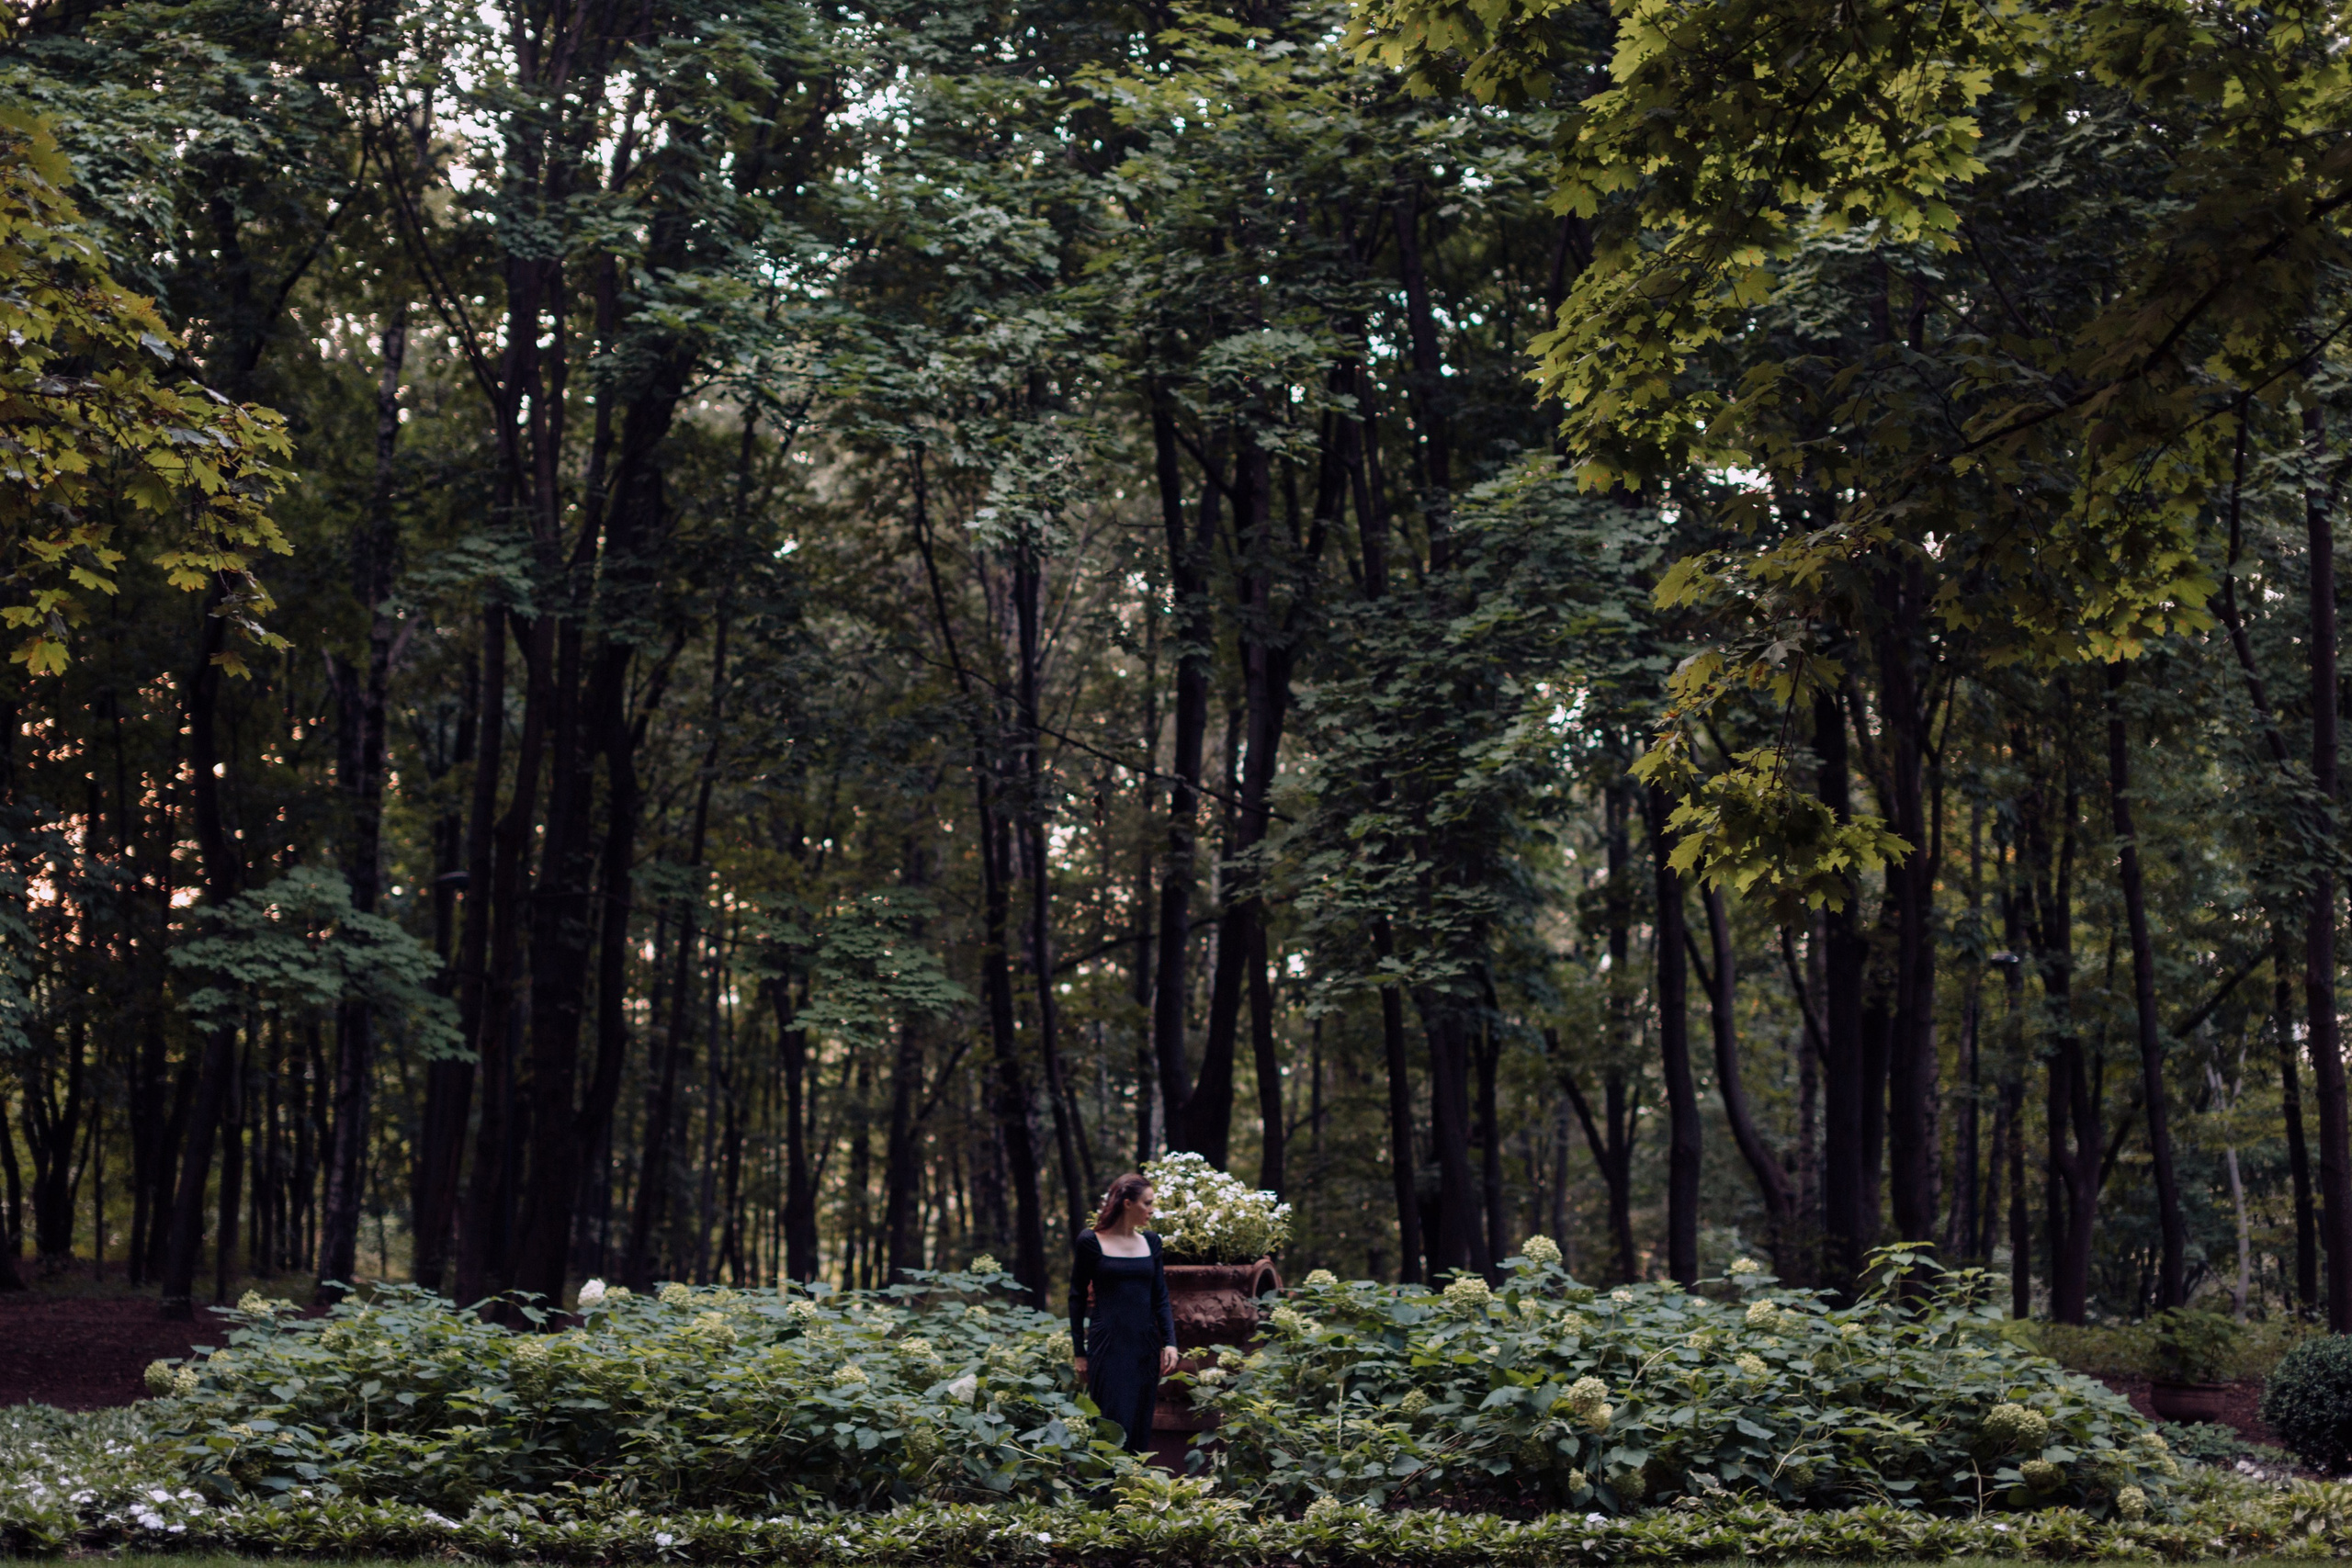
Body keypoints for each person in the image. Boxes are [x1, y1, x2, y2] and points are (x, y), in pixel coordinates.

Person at [1069, 1172, 1177, 1453]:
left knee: (1141, 1421)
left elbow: (1160, 1297)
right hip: (1108, 1346)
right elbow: (1076, 1297)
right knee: (1112, 1421)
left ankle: (1133, 1491)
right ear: (1127, 1203)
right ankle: (1104, 1492)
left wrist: (1170, 1342)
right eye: (1147, 1203)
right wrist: (1079, 1352)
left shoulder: (1151, 1242)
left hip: (1145, 1346)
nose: (1152, 1210)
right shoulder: (1090, 1241)